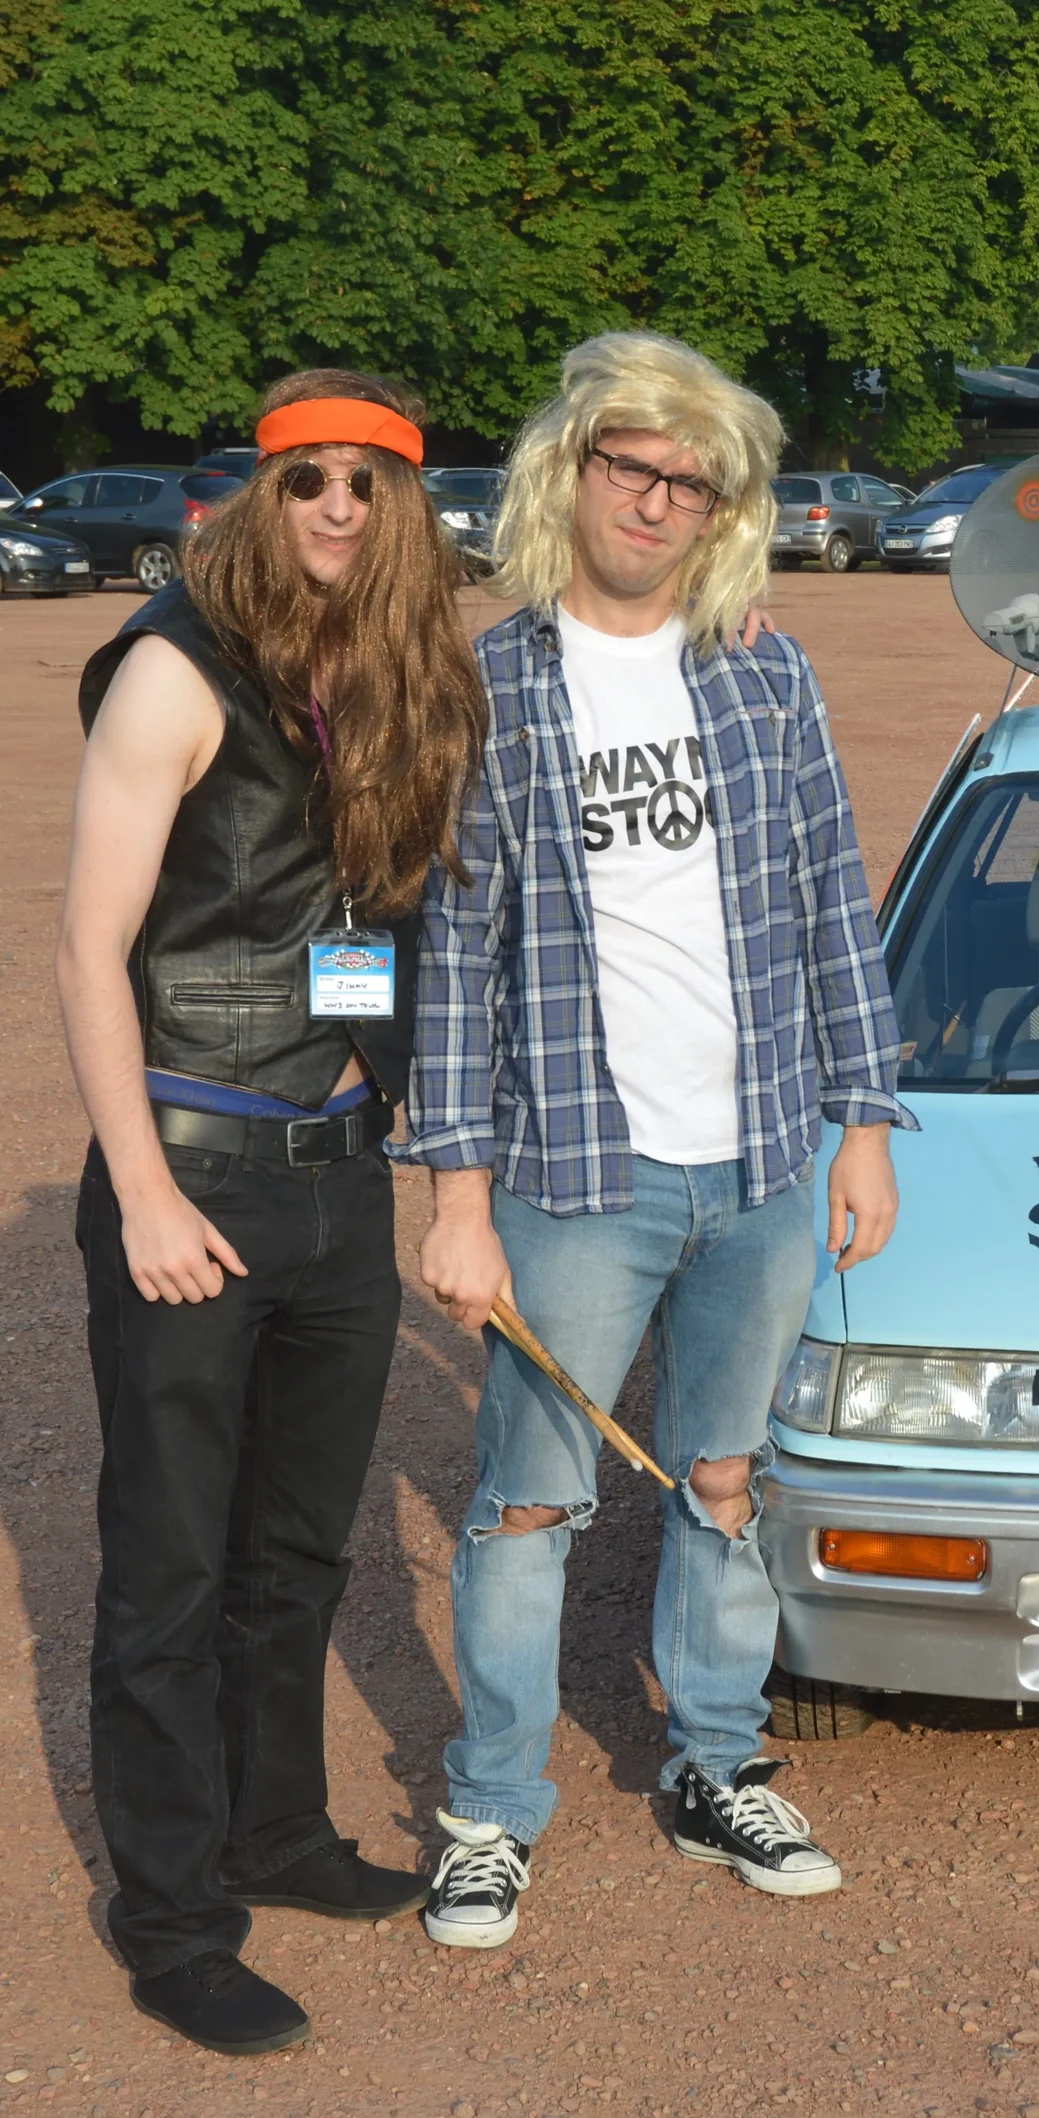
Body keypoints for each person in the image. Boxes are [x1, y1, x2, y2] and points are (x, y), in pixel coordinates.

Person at [405, 331, 908, 1950]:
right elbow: (453, 953)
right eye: (636, 465)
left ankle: (712, 1762)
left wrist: (864, 1126)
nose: (660, 499)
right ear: (575, 469)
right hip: (575, 1172)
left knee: (720, 1477)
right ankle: (491, 1804)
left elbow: (834, 895)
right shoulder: (493, 682)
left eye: (692, 481)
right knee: (528, 1502)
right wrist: (456, 1196)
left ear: (723, 511)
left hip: (763, 1156)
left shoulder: (764, 669)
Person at [59, 373, 486, 2052]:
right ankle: (173, 1917)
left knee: (303, 1547)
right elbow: (93, 947)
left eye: (366, 484)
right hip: (195, 1175)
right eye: (304, 478)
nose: (333, 507)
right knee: (167, 1567)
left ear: (402, 509)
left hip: (335, 1178)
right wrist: (145, 1187)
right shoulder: (174, 667)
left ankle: (277, 1830)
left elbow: (413, 937)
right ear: (259, 489)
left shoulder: (389, 675)